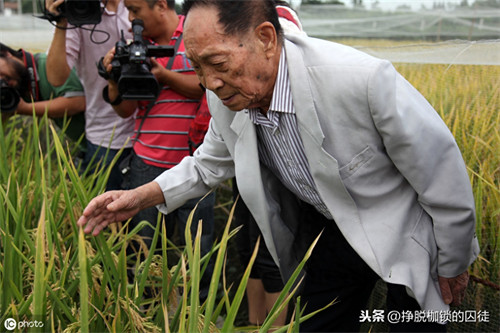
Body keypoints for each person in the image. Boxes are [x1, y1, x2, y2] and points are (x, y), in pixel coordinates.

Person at [77, 0, 480, 332]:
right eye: (197, 68)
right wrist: (137, 197)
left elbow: (441, 175)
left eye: (217, 63)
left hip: (404, 229)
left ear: (266, 39)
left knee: (412, 323)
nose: (210, 83)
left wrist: (454, 261)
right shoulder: (229, 96)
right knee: (319, 324)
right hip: (331, 228)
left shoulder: (360, 80)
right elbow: (208, 164)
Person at [99, 0, 215, 300]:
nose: (131, 19)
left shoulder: (195, 32)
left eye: (136, 9)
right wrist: (114, 77)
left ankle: (196, 315)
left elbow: (206, 86)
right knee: (146, 251)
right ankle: (150, 314)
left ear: (161, 5)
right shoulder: (135, 47)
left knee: (197, 251)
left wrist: (162, 75)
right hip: (146, 163)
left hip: (197, 164)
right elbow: (125, 110)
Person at [233, 2, 305, 327]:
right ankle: (253, 323)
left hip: (281, 177)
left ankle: (276, 326)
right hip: (246, 165)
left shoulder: (283, 18)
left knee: (272, 253)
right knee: (248, 249)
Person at [44, 0, 135, 190]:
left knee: (154, 216)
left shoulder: (137, 5)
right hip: (106, 137)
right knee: (107, 214)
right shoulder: (78, 12)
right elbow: (56, 77)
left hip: (152, 133)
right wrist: (62, 19)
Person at [0, 43, 85, 146]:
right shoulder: (17, 86)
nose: (1, 80)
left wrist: (24, 108)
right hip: (88, 146)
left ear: (5, 54)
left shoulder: (48, 64)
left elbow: (78, 101)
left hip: (104, 143)